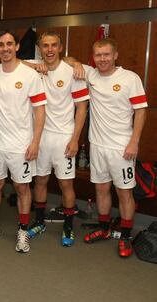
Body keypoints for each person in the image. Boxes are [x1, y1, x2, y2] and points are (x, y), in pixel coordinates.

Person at [0, 30, 46, 253]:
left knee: (21, 187)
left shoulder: (29, 75)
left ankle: (23, 229)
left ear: (17, 47)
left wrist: (35, 142)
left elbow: (40, 111)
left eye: (9, 44)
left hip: (21, 144)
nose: (5, 48)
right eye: (0, 45)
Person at [83, 38, 147, 257]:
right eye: (98, 55)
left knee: (124, 192)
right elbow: (69, 62)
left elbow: (140, 111)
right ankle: (103, 229)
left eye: (106, 54)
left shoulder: (130, 78)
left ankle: (126, 236)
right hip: (98, 145)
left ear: (115, 55)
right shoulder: (90, 74)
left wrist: (134, 142)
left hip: (122, 147)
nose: (102, 59)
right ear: (93, 57)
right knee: (101, 189)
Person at [25, 31, 89, 247]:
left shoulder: (72, 71)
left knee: (65, 183)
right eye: (45, 46)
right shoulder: (32, 67)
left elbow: (82, 108)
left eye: (54, 45)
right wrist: (34, 66)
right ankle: (40, 222)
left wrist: (75, 139)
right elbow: (11, 62)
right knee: (40, 180)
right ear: (39, 48)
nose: (49, 50)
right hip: (40, 138)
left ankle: (68, 225)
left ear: (61, 48)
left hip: (63, 138)